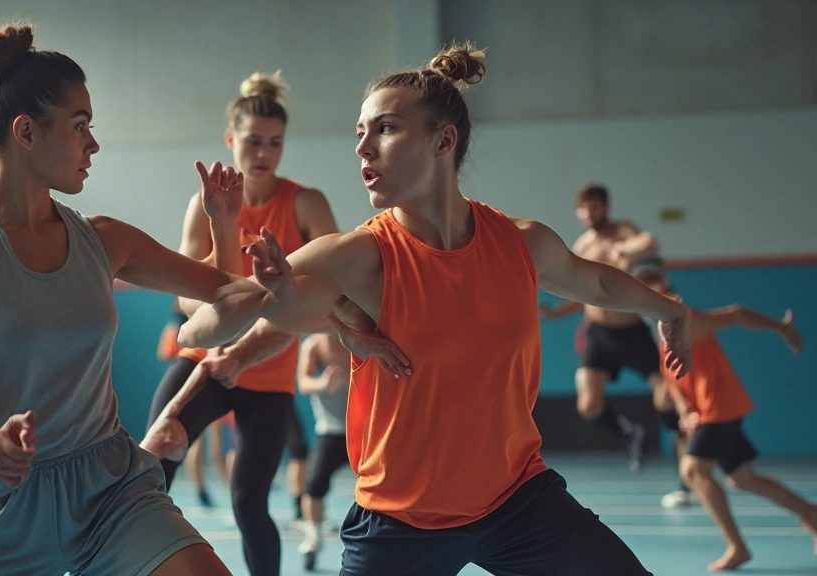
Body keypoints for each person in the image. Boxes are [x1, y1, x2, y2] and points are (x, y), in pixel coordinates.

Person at [178, 42, 692, 576]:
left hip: (518, 502)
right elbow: (209, 322)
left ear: (444, 140)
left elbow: (600, 284)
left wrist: (669, 310)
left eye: (385, 129)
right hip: (401, 523)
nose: (363, 149)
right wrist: (266, 284)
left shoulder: (521, 243)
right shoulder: (359, 256)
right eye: (360, 133)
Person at [0, 23, 243, 575]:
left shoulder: (105, 238)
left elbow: (221, 295)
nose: (94, 143)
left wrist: (225, 227)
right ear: (26, 132)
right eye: (80, 126)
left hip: (109, 492)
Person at [144, 71, 339, 576]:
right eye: (253, 141)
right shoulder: (204, 206)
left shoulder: (305, 204)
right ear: (231, 140)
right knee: (145, 479)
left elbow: (332, 292)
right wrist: (219, 326)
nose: (264, 152)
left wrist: (246, 342)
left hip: (268, 375)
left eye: (275, 142)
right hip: (203, 366)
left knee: (249, 504)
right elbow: (189, 297)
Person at [641, 271, 815, 572]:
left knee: (694, 471)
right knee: (743, 478)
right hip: (710, 411)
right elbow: (672, 380)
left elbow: (735, 314)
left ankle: (736, 546)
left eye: (664, 293)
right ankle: (811, 514)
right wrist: (684, 408)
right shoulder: (663, 337)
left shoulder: (689, 322)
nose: (663, 299)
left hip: (719, 407)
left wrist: (780, 327)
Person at [540, 184, 668, 472]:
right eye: (583, 208)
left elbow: (650, 242)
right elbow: (579, 292)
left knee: (668, 395)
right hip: (600, 335)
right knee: (588, 406)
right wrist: (556, 312)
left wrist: (621, 248)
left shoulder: (623, 231)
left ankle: (686, 455)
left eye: (594, 207)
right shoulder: (582, 246)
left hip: (632, 331)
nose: (588, 213)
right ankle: (630, 434)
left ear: (606, 207)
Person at [156, 306, 227, 508]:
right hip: (197, 389)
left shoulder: (185, 329)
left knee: (204, 445)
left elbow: (164, 356)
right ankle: (203, 488)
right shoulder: (178, 331)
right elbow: (166, 356)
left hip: (201, 388)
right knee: (204, 445)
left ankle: (207, 488)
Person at [296, 332, 352, 571]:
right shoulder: (313, 345)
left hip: (364, 429)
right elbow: (303, 383)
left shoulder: (357, 338)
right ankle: (313, 538)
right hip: (331, 429)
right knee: (314, 483)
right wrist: (323, 382)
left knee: (382, 485)